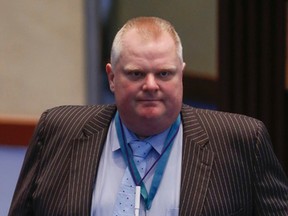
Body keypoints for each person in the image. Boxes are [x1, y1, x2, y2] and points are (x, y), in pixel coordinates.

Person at [9, 16, 288, 216]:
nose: (151, 85)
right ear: (112, 78)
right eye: (136, 73)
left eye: (164, 73)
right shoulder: (59, 132)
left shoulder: (240, 141)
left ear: (181, 74)